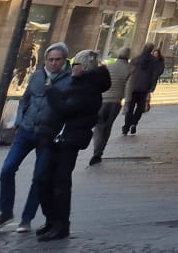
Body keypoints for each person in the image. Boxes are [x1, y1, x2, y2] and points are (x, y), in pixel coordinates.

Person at [32, 48, 108, 242]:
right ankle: (52, 219)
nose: (72, 68)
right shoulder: (80, 83)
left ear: (84, 67)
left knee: (60, 183)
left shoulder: (88, 88)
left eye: (76, 65)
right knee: (43, 179)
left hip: (70, 139)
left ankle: (60, 224)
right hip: (59, 136)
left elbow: (66, 108)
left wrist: (52, 91)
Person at [0, 43, 68, 233]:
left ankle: (26, 219)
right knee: (7, 169)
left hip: (48, 134)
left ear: (64, 60)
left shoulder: (69, 81)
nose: (53, 63)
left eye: (58, 60)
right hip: (26, 129)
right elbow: (26, 98)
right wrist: (19, 121)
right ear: (45, 60)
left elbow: (68, 108)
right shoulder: (37, 75)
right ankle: (6, 211)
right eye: (50, 60)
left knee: (39, 178)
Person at [88, 46, 132, 164]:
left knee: (98, 125)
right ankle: (99, 152)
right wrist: (127, 104)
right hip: (115, 102)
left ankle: (96, 149)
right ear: (128, 56)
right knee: (107, 127)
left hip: (102, 99)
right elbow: (129, 87)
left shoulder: (109, 66)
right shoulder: (130, 69)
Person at [122, 43, 162, 134]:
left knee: (130, 107)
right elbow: (154, 76)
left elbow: (129, 73)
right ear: (152, 50)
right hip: (145, 87)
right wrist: (151, 88)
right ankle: (134, 123)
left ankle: (126, 127)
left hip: (133, 86)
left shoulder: (135, 59)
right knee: (140, 108)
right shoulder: (155, 61)